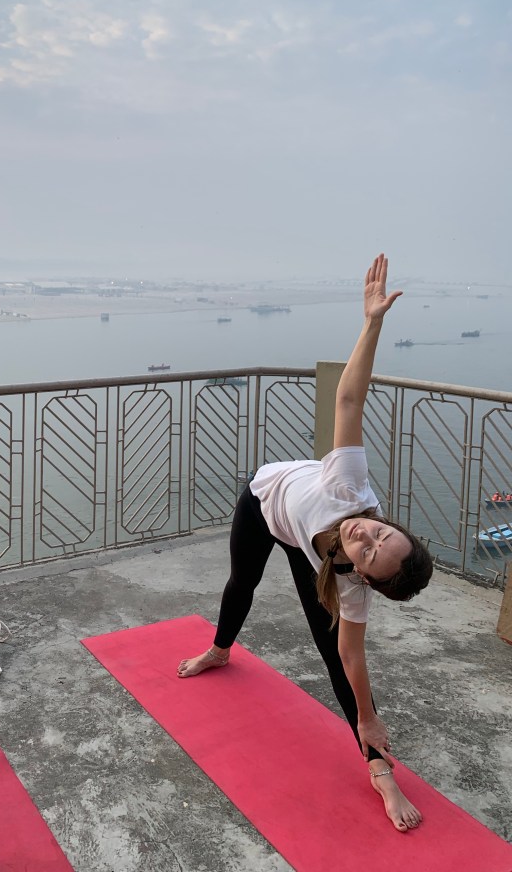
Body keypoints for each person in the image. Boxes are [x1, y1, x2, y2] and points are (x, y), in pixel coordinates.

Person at [178, 253, 433, 833]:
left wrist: (369, 720)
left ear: (364, 577)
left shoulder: (350, 584)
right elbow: (348, 401)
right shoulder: (350, 489)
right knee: (241, 582)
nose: (366, 535)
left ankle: (379, 771)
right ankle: (220, 649)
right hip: (262, 501)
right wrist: (372, 324)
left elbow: (351, 656)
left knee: (330, 650)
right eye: (381, 531)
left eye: (371, 551)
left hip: (307, 549)